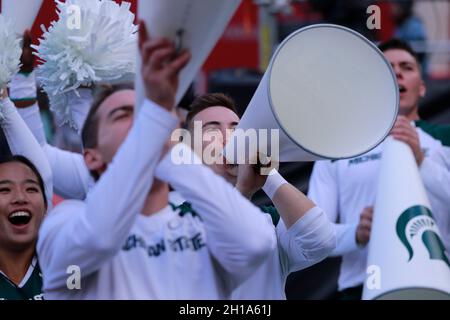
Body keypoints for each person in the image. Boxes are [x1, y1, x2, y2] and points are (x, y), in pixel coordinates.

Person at [36, 21, 276, 299]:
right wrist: (156, 119)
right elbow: (98, 239)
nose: (142, 124)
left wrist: (168, 149)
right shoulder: (64, 220)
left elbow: (256, 244)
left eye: (145, 116)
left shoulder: (197, 222)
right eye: (125, 114)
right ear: (91, 157)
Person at [307, 38, 450, 300]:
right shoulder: (337, 149)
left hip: (437, 284)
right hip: (361, 288)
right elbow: (312, 233)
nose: (397, 72)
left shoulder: (445, 139)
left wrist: (422, 162)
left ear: (422, 88)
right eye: (387, 68)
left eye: (406, 67)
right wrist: (356, 233)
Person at [183, 93, 336, 299]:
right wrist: (243, 191)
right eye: (212, 129)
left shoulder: (270, 219)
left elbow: (321, 243)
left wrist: (267, 173)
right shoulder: (173, 217)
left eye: (236, 129)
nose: (229, 136)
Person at [0, 155, 47, 300]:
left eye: (31, 189)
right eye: (4, 190)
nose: (20, 198)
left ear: (45, 208)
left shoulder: (72, 268)